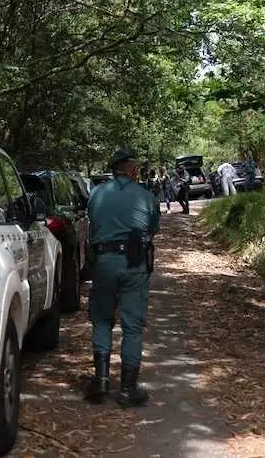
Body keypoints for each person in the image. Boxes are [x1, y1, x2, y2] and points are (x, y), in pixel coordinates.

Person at [85, 148, 159, 407]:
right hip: (134, 262)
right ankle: (127, 389)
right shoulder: (146, 196)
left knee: (102, 319)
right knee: (132, 325)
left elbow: (93, 222)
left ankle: (101, 380)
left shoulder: (96, 193)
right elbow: (153, 228)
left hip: (103, 261)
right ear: (131, 169)